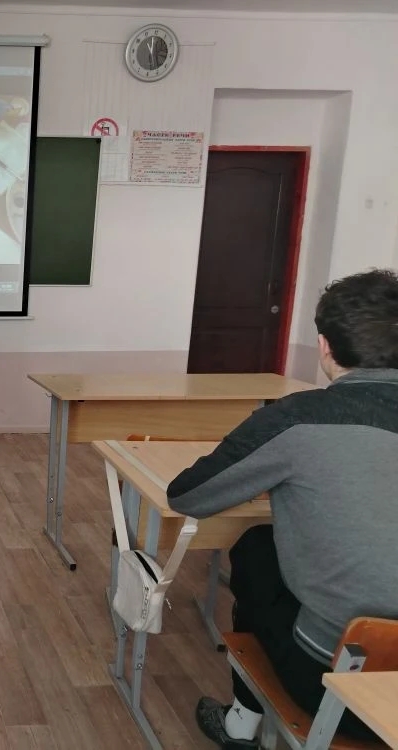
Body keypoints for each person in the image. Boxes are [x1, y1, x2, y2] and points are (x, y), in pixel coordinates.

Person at [167, 268, 398, 749]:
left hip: (340, 688)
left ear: (324, 347)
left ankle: (240, 725)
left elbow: (188, 494)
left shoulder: (295, 418)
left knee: (256, 548)